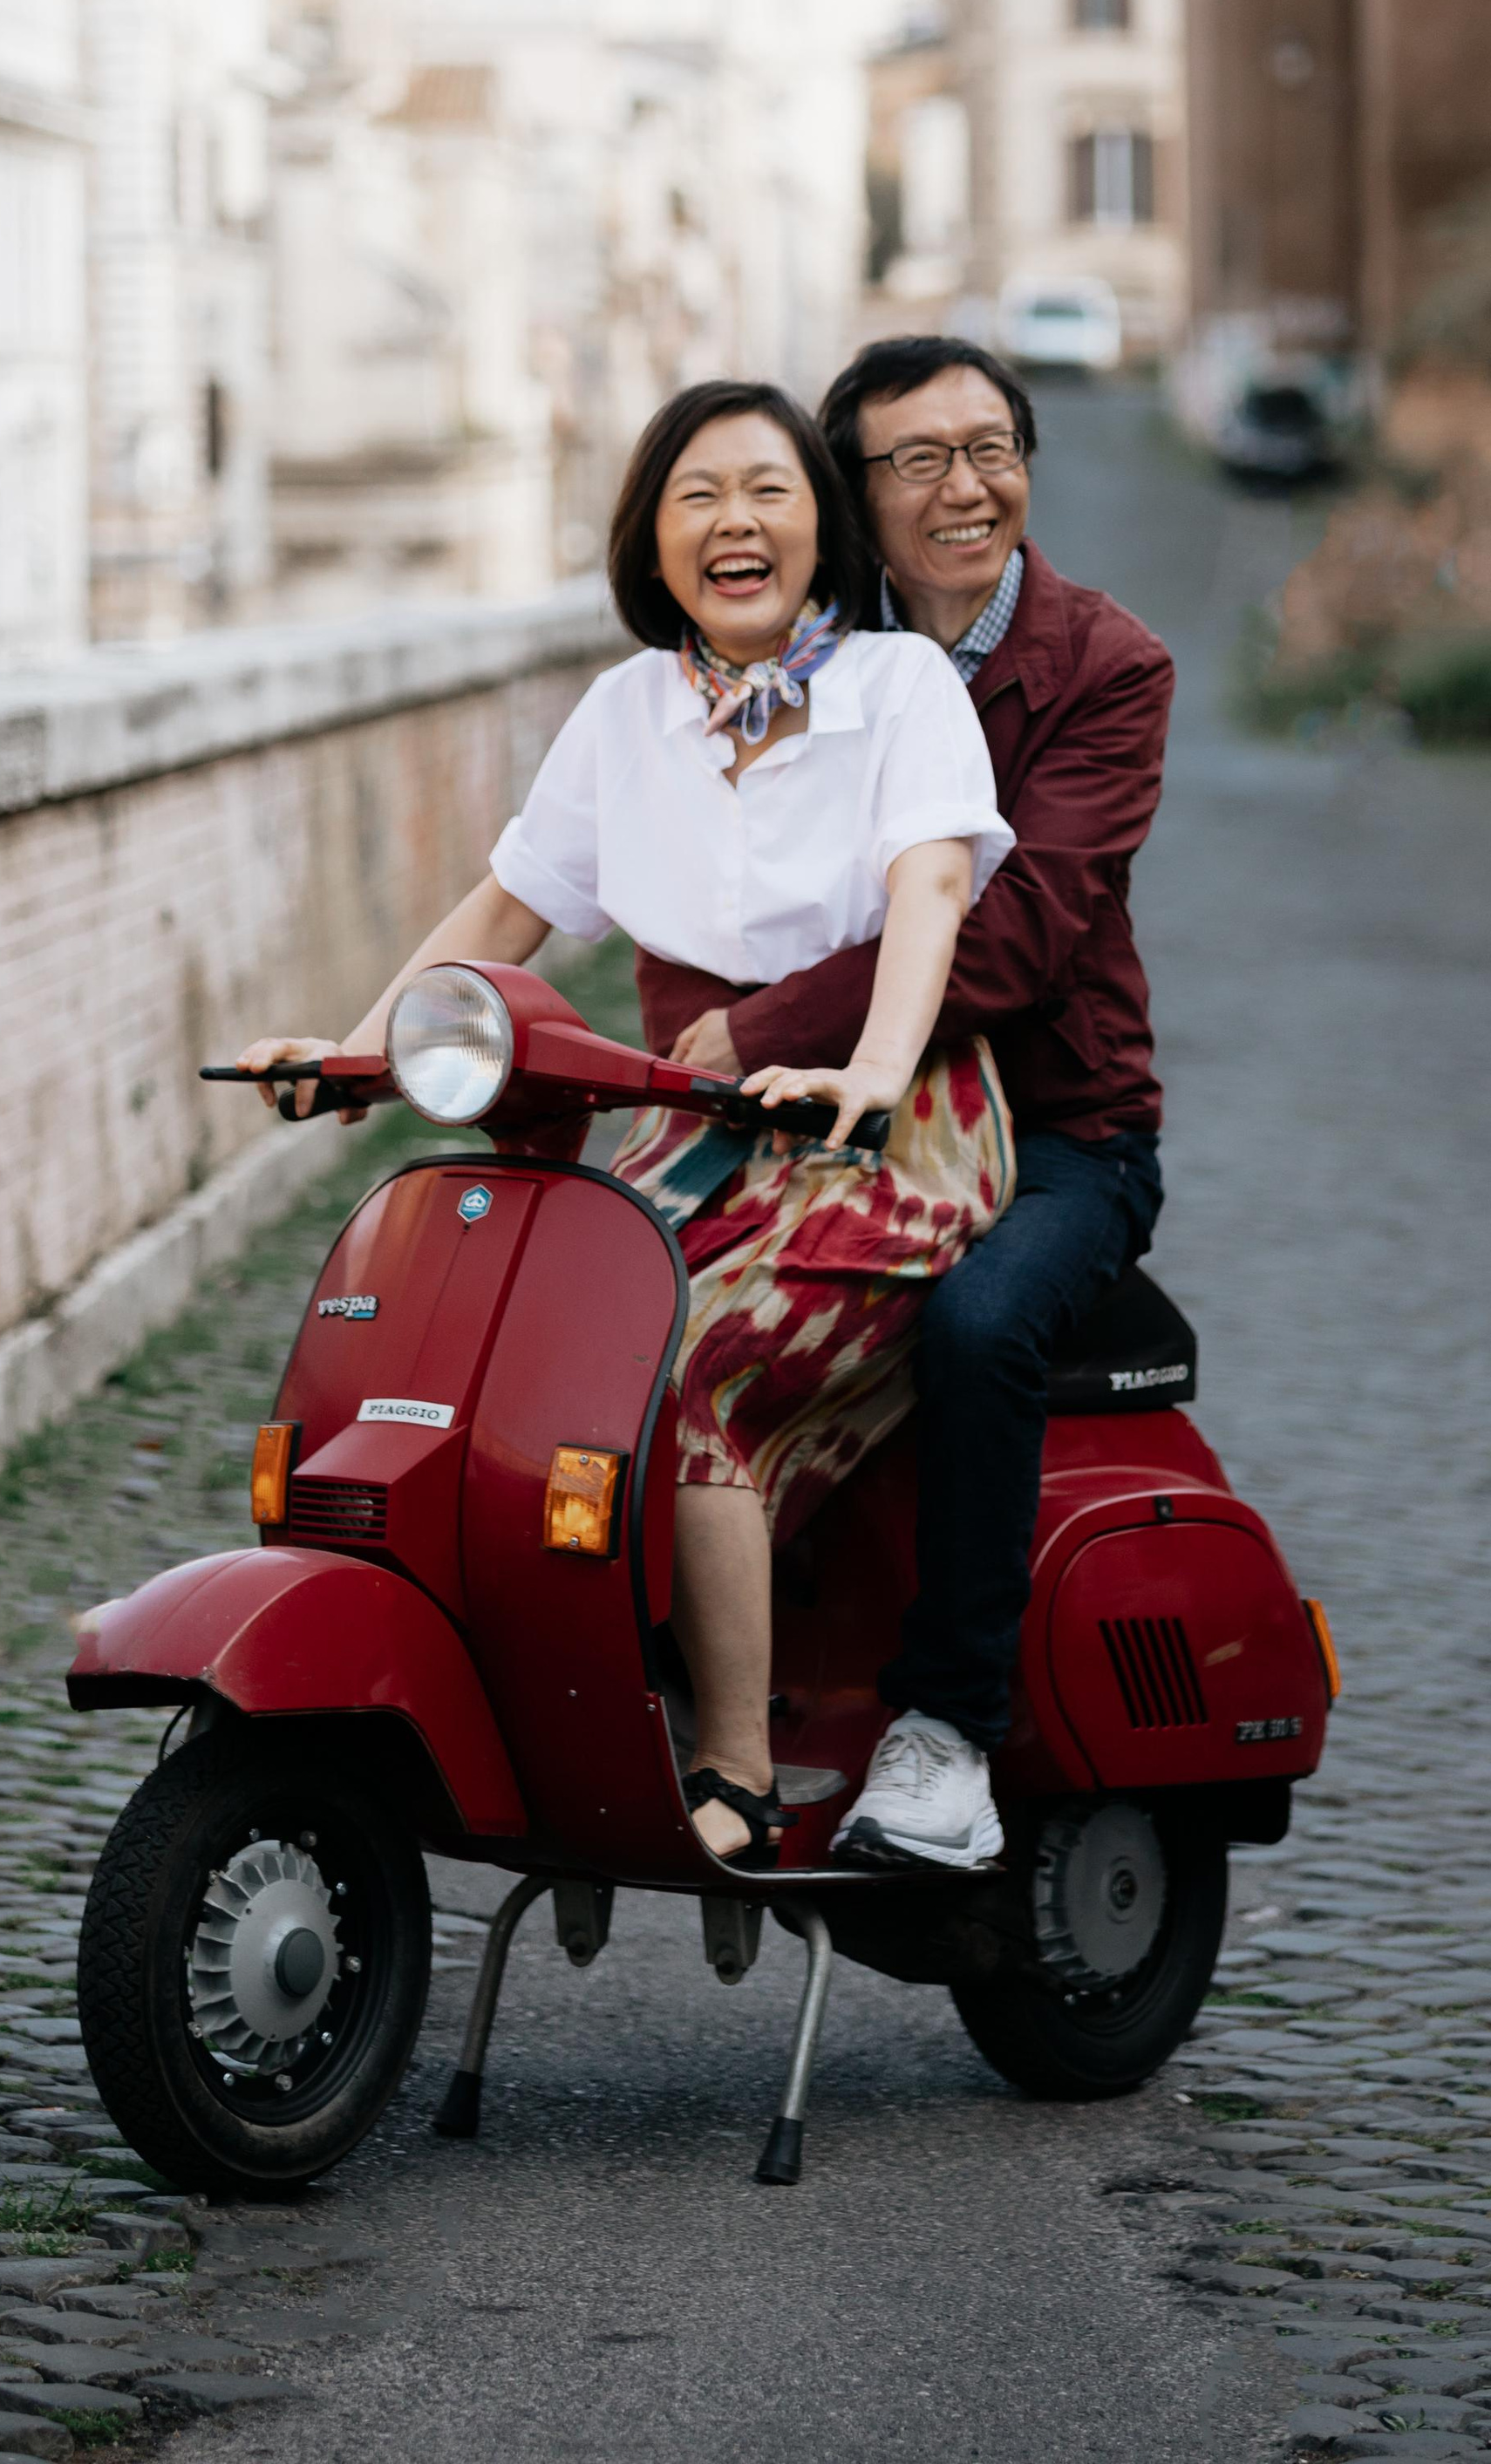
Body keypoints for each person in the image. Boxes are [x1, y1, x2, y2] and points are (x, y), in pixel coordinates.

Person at [238, 378, 1014, 1873]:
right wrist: (355, 1052)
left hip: (893, 1138)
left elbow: (930, 890)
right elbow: (506, 915)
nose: (739, 523)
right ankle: (564, 1700)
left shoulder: (900, 688)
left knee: (699, 1369)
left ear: (823, 526)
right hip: (696, 1136)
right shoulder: (626, 712)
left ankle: (734, 1767)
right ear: (652, 544)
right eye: (699, 498)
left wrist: (874, 1063)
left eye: (771, 492)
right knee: (520, 1362)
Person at [645, 337, 1171, 1869]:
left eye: (993, 448)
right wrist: (697, 1031)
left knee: (981, 1323)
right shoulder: (812, 650)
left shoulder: (1105, 664)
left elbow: (1009, 938)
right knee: (611, 1310)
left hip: (1065, 1135)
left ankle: (944, 1738)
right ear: (851, 496)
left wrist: (750, 1030)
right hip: (825, 1113)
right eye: (920, 460)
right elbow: (702, 861)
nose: (968, 488)